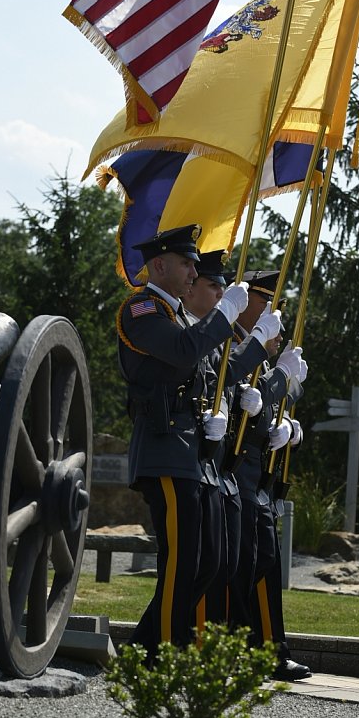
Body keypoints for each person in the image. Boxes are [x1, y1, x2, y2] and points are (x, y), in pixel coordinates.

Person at [116, 225, 252, 664]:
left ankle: (144, 646)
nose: (195, 270)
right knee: (181, 561)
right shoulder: (141, 308)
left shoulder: (174, 313)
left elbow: (204, 370)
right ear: (159, 265)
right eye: (186, 262)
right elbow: (180, 351)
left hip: (190, 450)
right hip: (163, 448)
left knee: (207, 562)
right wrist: (225, 314)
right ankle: (167, 654)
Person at [184, 250, 280, 627]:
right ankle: (185, 649)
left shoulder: (223, 339)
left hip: (233, 467)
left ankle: (233, 648)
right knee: (207, 564)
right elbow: (217, 378)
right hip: (216, 462)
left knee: (238, 561)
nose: (221, 296)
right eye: (265, 300)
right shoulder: (205, 332)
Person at [225, 269, 312, 680]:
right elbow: (240, 401)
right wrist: (284, 381)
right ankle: (247, 650)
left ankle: (270, 650)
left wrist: (288, 430)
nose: (271, 314)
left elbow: (261, 413)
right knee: (243, 564)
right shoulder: (230, 345)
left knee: (265, 561)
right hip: (234, 470)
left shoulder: (252, 349)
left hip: (256, 473)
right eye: (263, 303)